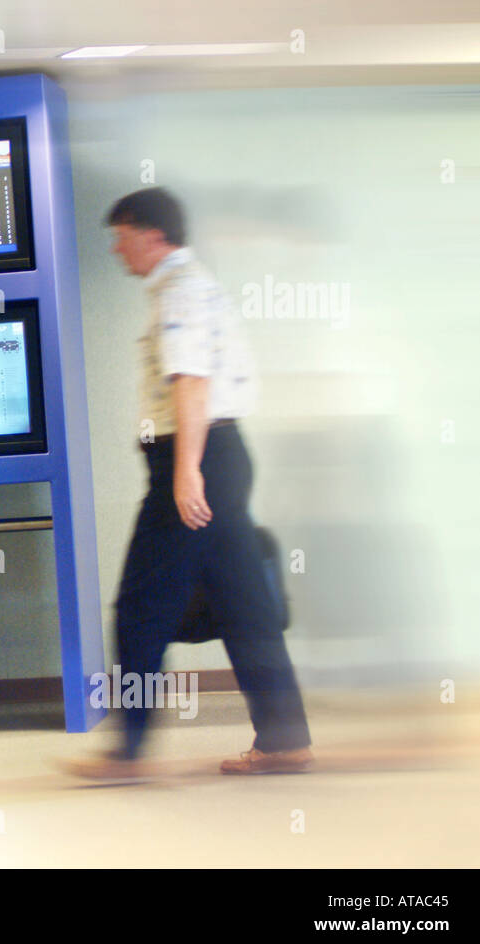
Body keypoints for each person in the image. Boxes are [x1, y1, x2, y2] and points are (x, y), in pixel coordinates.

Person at [70, 188, 313, 780]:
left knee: (140, 605)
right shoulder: (190, 285)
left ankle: (127, 750)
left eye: (121, 234)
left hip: (193, 460)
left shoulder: (180, 290)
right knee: (244, 607)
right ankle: (285, 740)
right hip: (216, 458)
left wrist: (185, 475)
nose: (115, 247)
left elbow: (192, 383)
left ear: (152, 235)